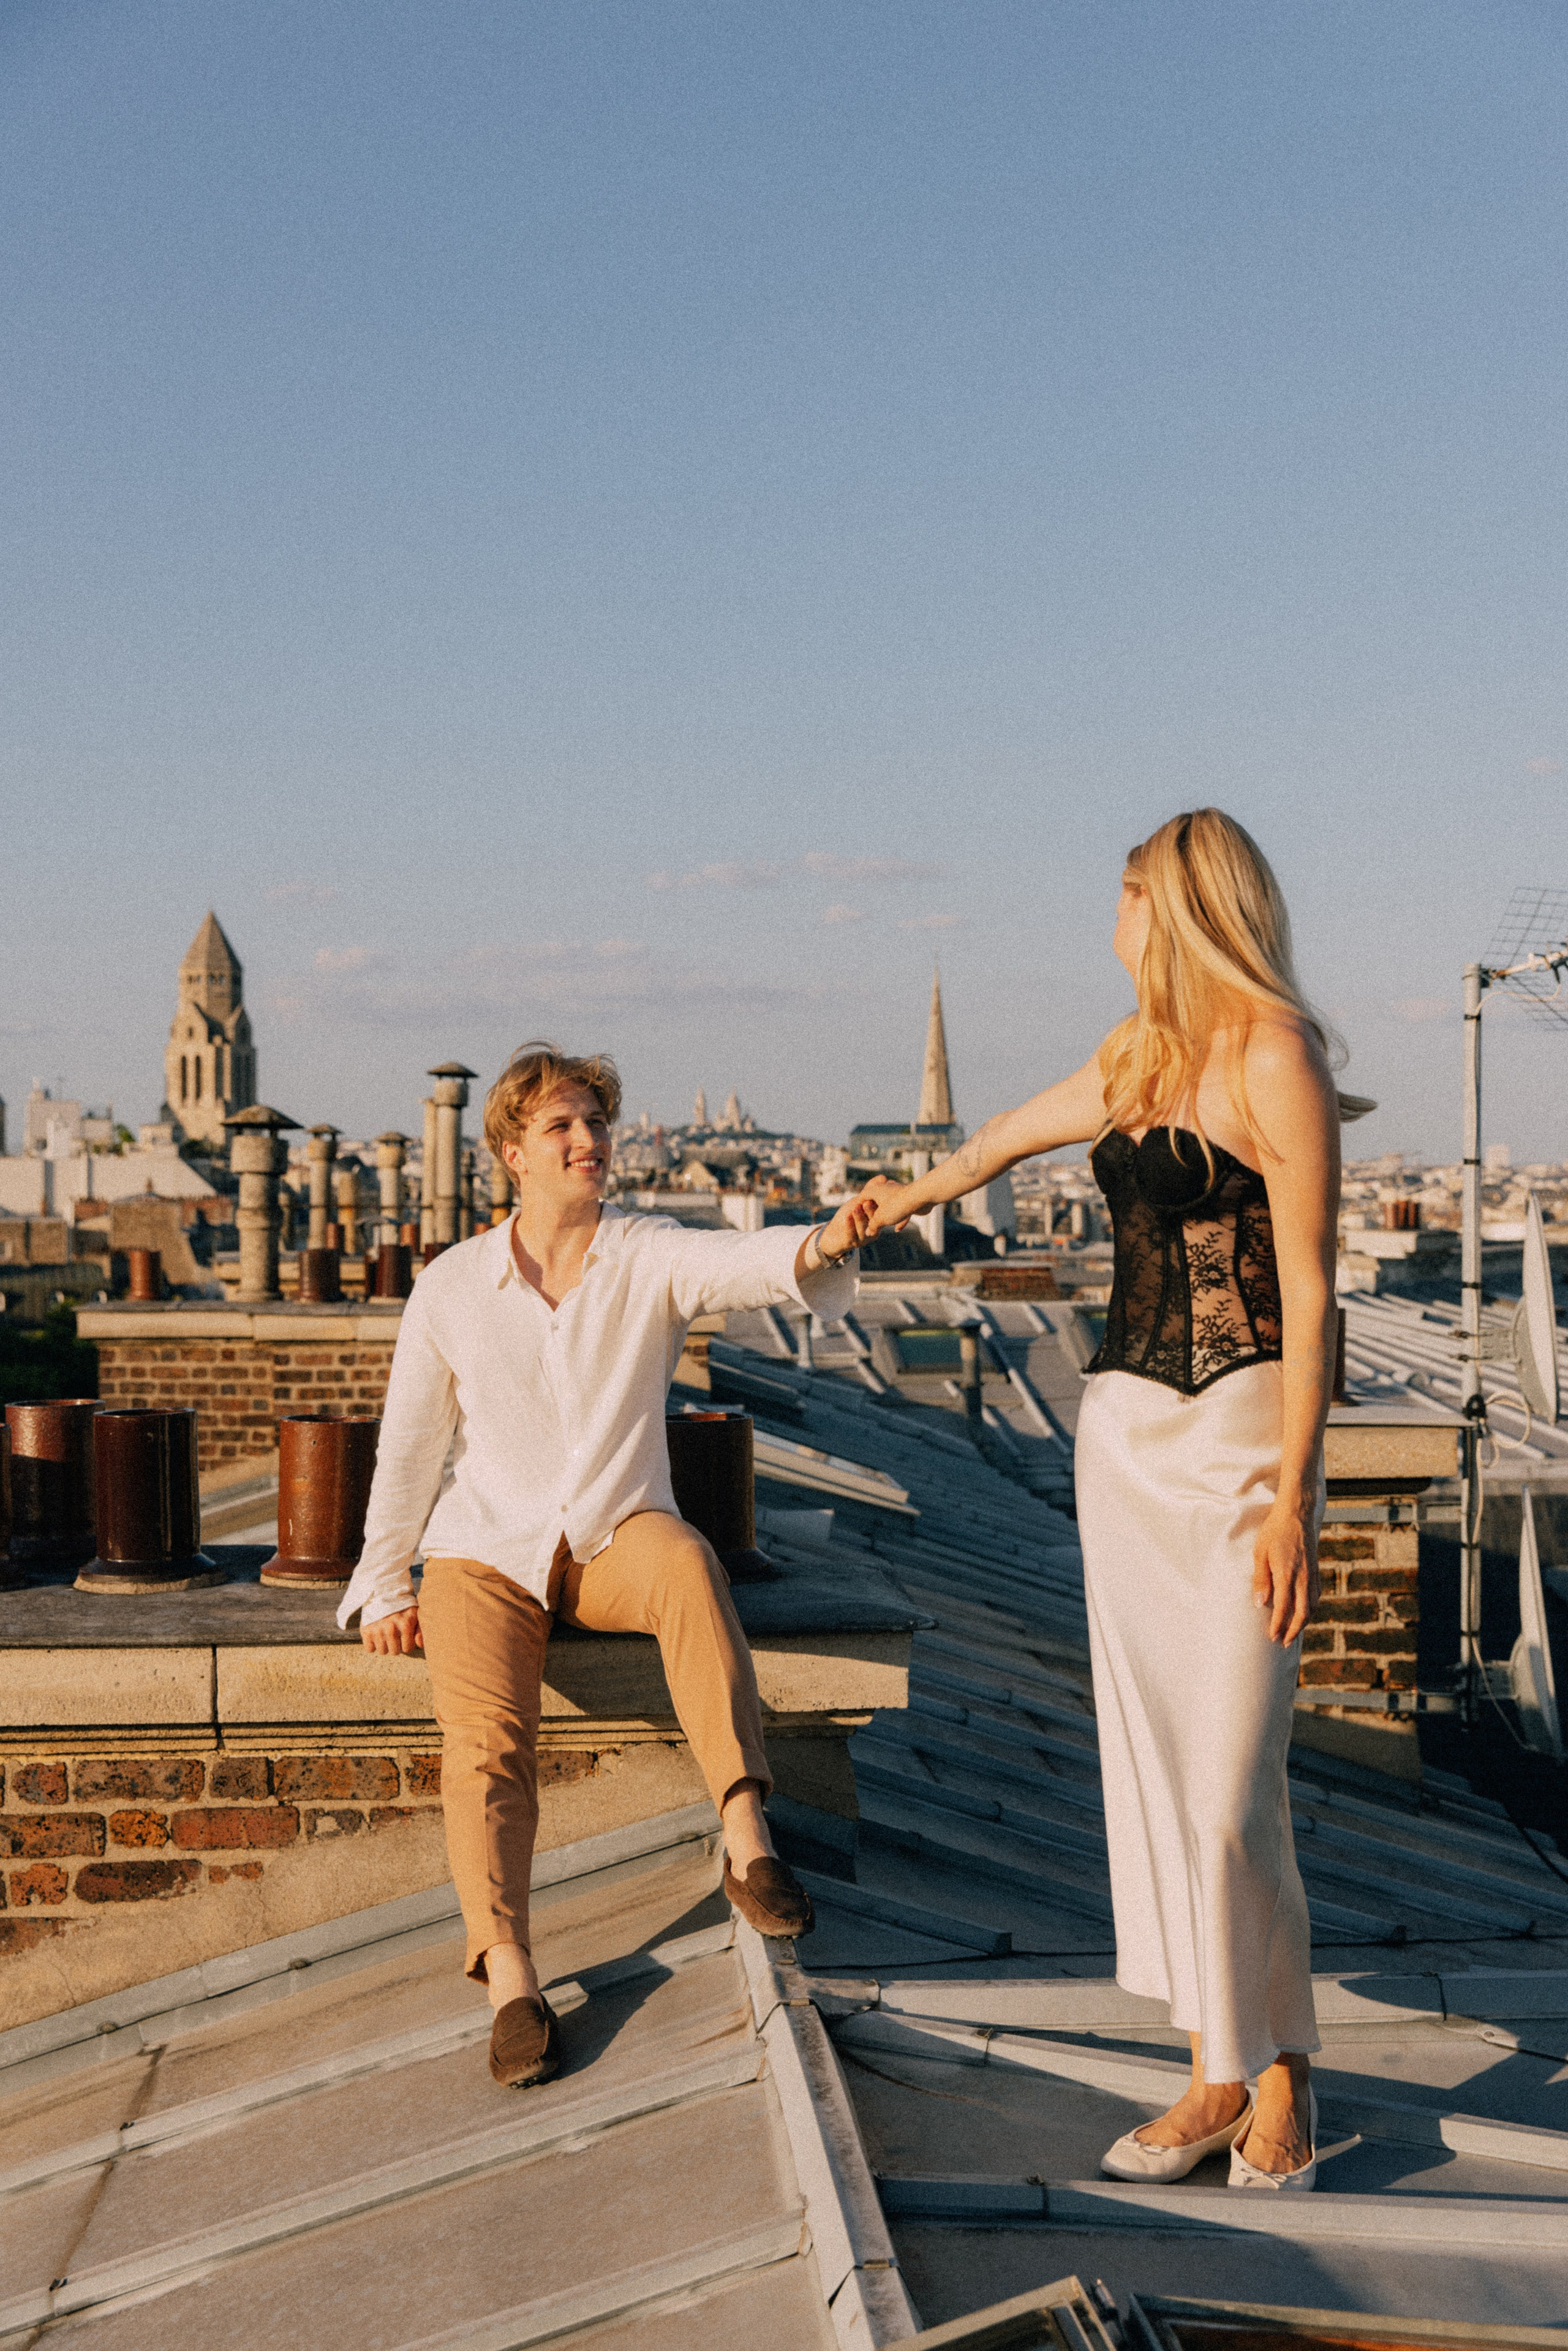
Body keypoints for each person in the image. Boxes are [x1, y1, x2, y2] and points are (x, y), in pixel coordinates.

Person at [858, 810, 1372, 2189]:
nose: (1109, 923)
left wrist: (1295, 1503)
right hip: (1126, 1445)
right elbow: (997, 1147)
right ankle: (1217, 2061)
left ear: (1187, 905)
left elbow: (1314, 1289)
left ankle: (1285, 2074)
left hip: (1244, 1446)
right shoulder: (1139, 1055)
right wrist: (889, 1198)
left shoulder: (1275, 1055)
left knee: (1226, 1786)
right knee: (1155, 1768)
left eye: (1125, 897)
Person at [342, 1042, 873, 2091]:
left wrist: (828, 1237)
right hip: (483, 1548)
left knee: (686, 1569)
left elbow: (752, 1263)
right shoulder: (453, 1285)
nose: (589, 1142)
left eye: (596, 1123)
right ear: (510, 1153)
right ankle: (511, 1977)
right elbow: (408, 1444)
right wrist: (384, 1579)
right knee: (486, 1743)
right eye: (563, 1127)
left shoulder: (645, 1252)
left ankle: (746, 1834)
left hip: (608, 1532)